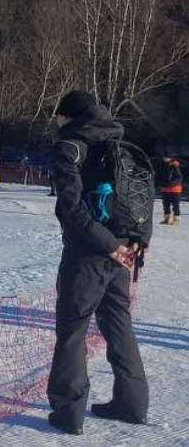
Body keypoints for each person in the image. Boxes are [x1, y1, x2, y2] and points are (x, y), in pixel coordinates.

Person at [46, 90, 149, 435]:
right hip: (122, 250)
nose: (57, 123)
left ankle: (68, 410)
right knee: (119, 323)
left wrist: (106, 247)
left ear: (70, 116)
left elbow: (73, 208)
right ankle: (132, 403)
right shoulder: (119, 141)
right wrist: (132, 243)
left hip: (88, 253)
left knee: (73, 330)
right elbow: (142, 195)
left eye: (59, 116)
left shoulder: (70, 147)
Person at [158, 156, 182, 225]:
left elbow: (179, 177)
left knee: (175, 205)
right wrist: (160, 183)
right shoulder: (162, 167)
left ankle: (176, 219)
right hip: (165, 189)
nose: (165, 159)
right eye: (164, 158)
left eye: (167, 158)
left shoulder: (174, 166)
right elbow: (159, 176)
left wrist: (171, 183)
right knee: (166, 205)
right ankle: (167, 218)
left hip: (175, 189)